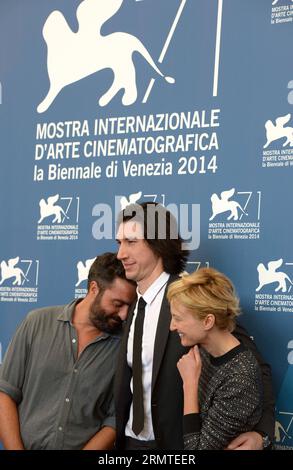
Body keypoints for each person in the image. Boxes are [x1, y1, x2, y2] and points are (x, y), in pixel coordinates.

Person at [114, 202, 275, 450]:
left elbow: (253, 368)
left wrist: (261, 434)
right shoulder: (130, 303)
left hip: (178, 445)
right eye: (119, 243)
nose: (120, 254)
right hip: (129, 441)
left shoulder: (191, 298)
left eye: (131, 242)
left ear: (159, 244)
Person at [0, 253, 136, 450]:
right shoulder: (36, 323)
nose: (123, 315)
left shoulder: (125, 345)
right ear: (93, 288)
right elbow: (5, 393)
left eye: (128, 307)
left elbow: (115, 418)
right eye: (117, 304)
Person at [167, 267, 263, 449]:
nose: (172, 326)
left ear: (208, 321)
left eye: (178, 318)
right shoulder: (203, 349)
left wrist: (189, 385)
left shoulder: (240, 379)